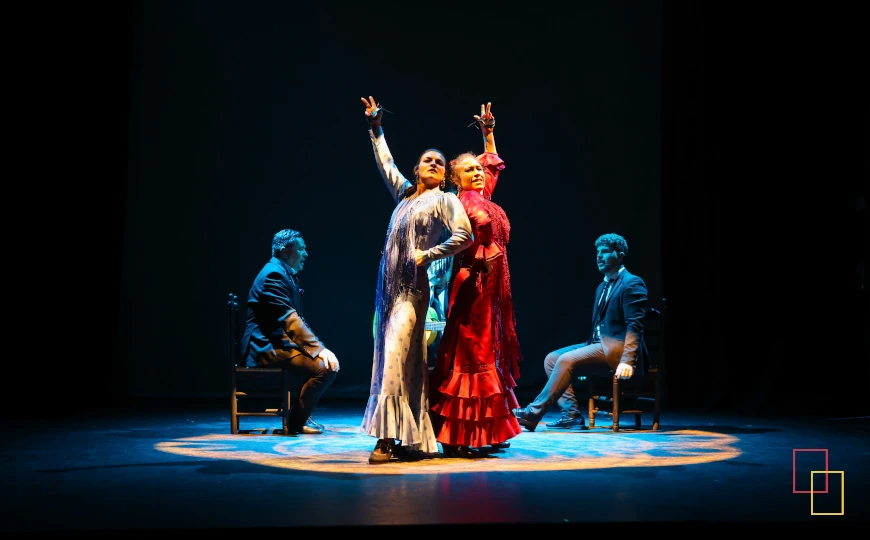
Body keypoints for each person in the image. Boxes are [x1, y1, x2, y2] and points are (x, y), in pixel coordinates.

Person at [359, 96, 474, 464]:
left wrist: (429, 254)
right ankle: (412, 437)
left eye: (440, 164)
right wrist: (376, 129)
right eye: (429, 160)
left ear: (444, 175)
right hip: (387, 291)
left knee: (395, 353)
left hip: (412, 289)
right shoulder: (405, 196)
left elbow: (464, 236)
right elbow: (386, 164)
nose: (435, 165)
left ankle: (387, 438)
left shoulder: (445, 200)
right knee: (399, 361)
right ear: (418, 167)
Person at [429, 103, 523, 457]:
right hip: (473, 285)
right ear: (458, 178)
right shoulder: (458, 203)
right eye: (470, 170)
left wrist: (488, 133)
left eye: (478, 168)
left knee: (489, 351)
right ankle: (462, 435)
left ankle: (488, 430)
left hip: (493, 291)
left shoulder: (482, 196)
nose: (479, 172)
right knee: (473, 354)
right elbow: (458, 239)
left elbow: (492, 162)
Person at [512, 233, 648, 431]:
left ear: (619, 255)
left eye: (604, 252)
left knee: (567, 360)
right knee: (552, 358)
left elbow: (634, 325)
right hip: (597, 345)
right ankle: (571, 416)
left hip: (618, 348)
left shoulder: (632, 283)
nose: (599, 256)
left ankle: (533, 412)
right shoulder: (602, 287)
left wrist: (627, 360)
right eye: (597, 253)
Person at [240, 228, 339, 435]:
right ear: (286, 252)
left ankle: (299, 417)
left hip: (277, 342)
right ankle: (296, 421)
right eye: (301, 249)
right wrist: (319, 350)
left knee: (319, 361)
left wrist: (317, 347)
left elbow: (297, 320)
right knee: (325, 367)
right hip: (264, 347)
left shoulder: (284, 274)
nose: (306, 254)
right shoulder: (273, 275)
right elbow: (290, 320)